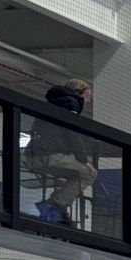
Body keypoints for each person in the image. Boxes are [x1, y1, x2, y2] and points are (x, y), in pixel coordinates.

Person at [25, 78, 97, 221]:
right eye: (87, 96)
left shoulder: (53, 102)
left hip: (32, 156)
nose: (88, 101)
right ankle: (54, 204)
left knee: (76, 173)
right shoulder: (72, 103)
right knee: (89, 173)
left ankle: (56, 206)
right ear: (78, 93)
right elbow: (73, 134)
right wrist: (84, 160)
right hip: (49, 156)